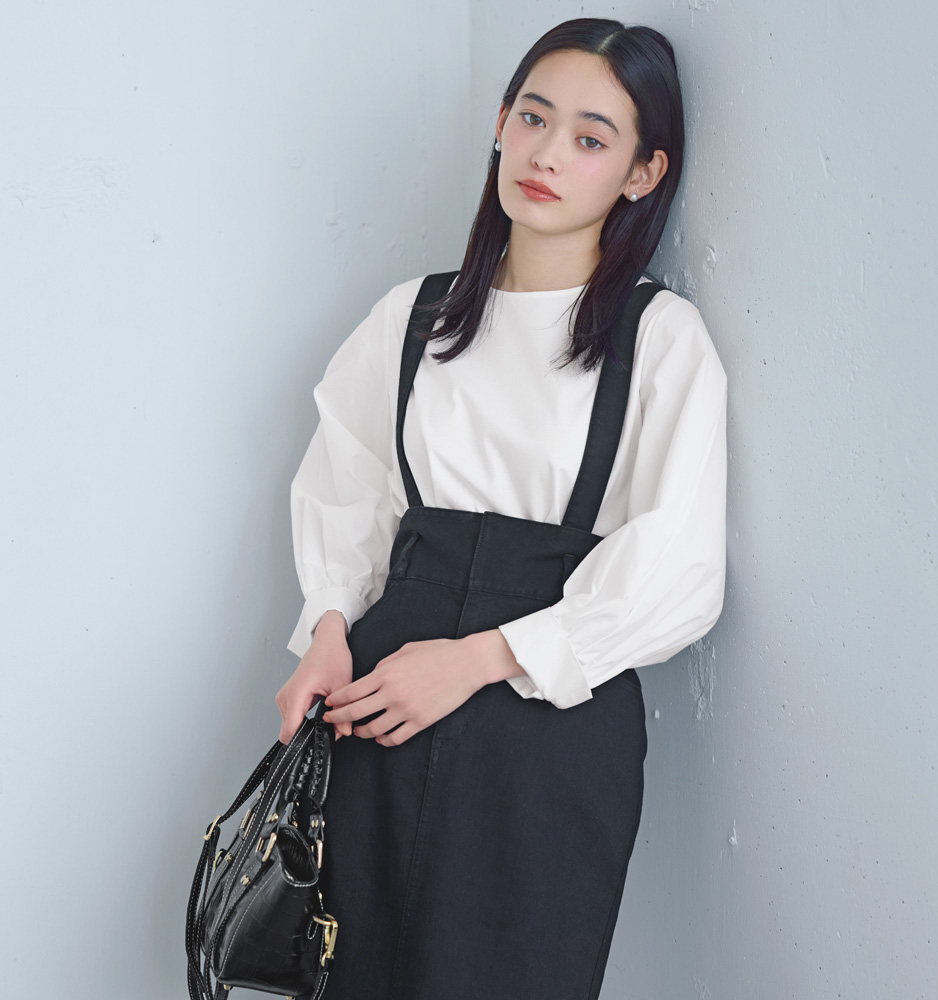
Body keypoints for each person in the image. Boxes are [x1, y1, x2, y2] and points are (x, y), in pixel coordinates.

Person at [275, 16, 727, 1000]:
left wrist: (481, 658)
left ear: (643, 173)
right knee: (348, 972)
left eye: (591, 138)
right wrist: (327, 630)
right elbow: (349, 490)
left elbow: (679, 569)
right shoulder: (413, 318)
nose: (547, 154)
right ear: (499, 122)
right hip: (381, 702)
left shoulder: (658, 339)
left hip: (547, 727)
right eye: (533, 117)